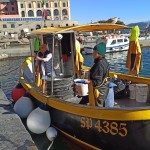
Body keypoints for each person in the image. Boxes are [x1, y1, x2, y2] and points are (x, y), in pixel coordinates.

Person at [84, 42, 110, 107]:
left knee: (97, 107)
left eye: (94, 52)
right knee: (101, 105)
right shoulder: (104, 61)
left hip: (99, 91)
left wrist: (86, 81)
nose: (92, 54)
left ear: (99, 54)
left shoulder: (99, 64)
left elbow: (97, 81)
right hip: (104, 90)